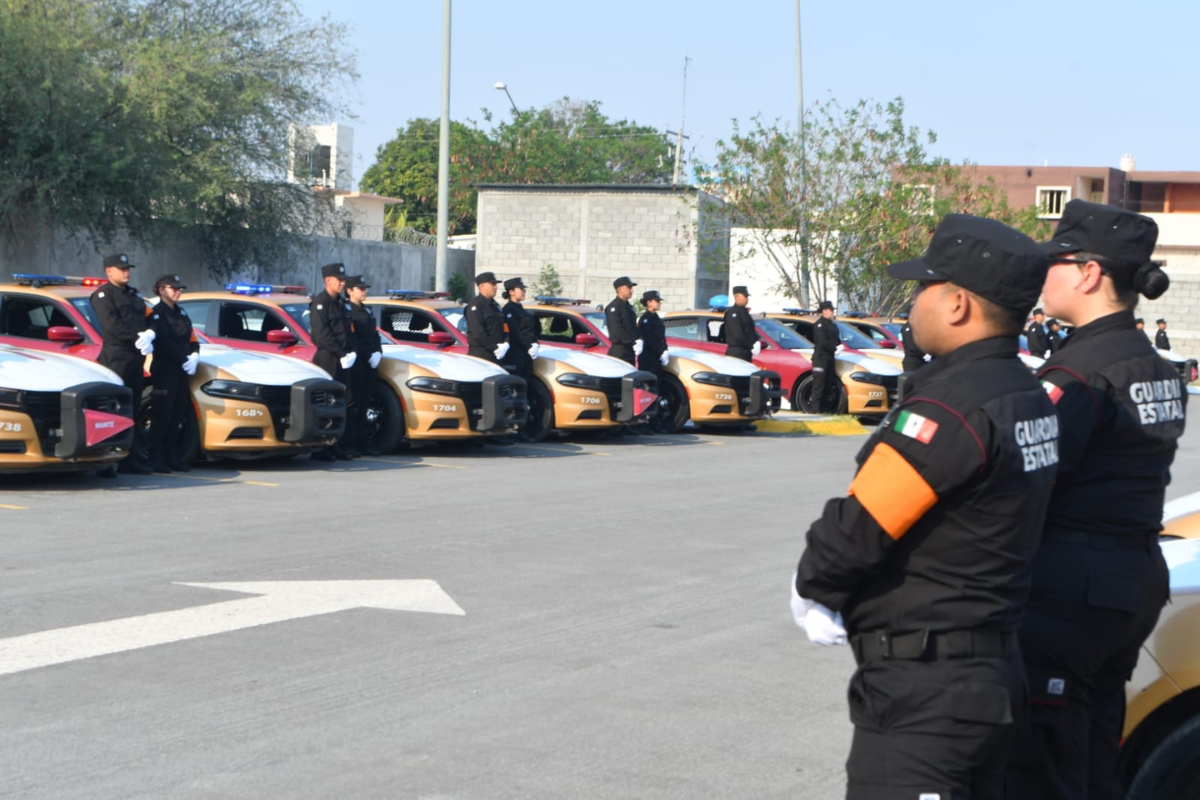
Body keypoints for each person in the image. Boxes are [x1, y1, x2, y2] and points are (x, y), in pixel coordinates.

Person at [792, 214, 1058, 800]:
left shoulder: (951, 406)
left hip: (928, 695)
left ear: (958, 304)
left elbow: (856, 529)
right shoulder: (1024, 392)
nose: (913, 303)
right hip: (989, 673)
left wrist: (811, 583)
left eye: (922, 288)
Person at [1003, 200, 1186, 800]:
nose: (1044, 273)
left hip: (1071, 593)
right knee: (1094, 757)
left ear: (1089, 273)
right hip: (1130, 581)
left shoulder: (1079, 373)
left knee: (1046, 767)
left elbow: (1028, 477)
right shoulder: (1155, 366)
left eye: (1056, 260)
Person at [89, 253, 154, 474]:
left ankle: (131, 460)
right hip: (117, 358)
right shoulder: (103, 295)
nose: (126, 271)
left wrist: (150, 334)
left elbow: (151, 316)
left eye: (128, 268)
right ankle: (106, 461)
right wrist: (138, 337)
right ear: (109, 271)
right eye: (121, 268)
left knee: (133, 410)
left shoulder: (134, 294)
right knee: (113, 410)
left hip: (135, 359)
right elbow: (111, 327)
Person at [146, 274, 199, 473]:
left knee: (177, 415)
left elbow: (192, 338)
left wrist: (195, 354)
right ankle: (154, 458)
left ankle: (171, 456)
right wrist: (185, 358)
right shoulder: (156, 313)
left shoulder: (182, 313)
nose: (178, 291)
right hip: (165, 371)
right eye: (173, 288)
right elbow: (165, 343)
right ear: (161, 290)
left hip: (181, 372)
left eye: (179, 288)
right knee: (162, 416)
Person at [309, 262, 355, 461]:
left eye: (344, 279)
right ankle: (322, 448)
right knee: (327, 404)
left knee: (342, 403)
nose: (343, 283)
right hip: (328, 357)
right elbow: (322, 335)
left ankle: (336, 445)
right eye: (340, 279)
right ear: (328, 280)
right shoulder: (320, 303)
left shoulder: (341, 303)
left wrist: (351, 352)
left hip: (343, 359)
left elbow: (348, 331)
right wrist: (341, 353)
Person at [345, 275, 383, 457]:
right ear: (350, 291)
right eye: (361, 289)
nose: (365, 291)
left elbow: (375, 335)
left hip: (370, 362)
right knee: (354, 404)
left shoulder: (367, 311)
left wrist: (378, 352)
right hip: (357, 362)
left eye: (365, 288)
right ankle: (350, 444)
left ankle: (363, 443)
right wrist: (368, 355)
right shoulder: (348, 311)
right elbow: (354, 339)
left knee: (365, 402)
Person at [464, 272, 508, 363]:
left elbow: (505, 326)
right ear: (482, 286)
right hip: (482, 355)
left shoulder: (495, 306)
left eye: (495, 284)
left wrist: (506, 342)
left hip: (498, 354)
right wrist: (494, 348)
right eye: (492, 284)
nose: (495, 287)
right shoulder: (476, 306)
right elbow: (478, 333)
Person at [501, 277, 538, 381]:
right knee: (515, 383)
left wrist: (535, 343)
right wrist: (529, 346)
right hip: (515, 353)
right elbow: (515, 332)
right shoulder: (508, 309)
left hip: (526, 352)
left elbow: (529, 330)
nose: (524, 292)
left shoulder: (519, 307)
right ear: (511, 292)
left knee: (526, 382)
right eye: (521, 289)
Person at [809, 300, 841, 413]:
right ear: (824, 311)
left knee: (828, 385)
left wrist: (838, 345)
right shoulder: (819, 325)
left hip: (830, 358)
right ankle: (815, 411)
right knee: (819, 386)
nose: (832, 312)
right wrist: (835, 348)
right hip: (820, 359)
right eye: (830, 310)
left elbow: (836, 339)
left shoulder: (832, 324)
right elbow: (822, 342)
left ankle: (824, 411)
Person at [605, 277, 640, 365]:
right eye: (629, 288)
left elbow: (633, 327)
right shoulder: (614, 307)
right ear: (620, 289)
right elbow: (617, 331)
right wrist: (632, 342)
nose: (631, 290)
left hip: (630, 350)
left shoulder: (629, 307)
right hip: (620, 351)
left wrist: (639, 340)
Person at [722, 285, 760, 362]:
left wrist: (757, 341)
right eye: (745, 296)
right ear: (736, 297)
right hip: (737, 353)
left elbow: (749, 331)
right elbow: (738, 335)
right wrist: (751, 346)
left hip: (745, 352)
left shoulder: (744, 312)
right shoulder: (733, 313)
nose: (747, 299)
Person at [637, 290, 669, 380]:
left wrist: (665, 350)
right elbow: (649, 339)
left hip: (656, 356)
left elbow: (661, 336)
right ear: (649, 302)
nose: (659, 303)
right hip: (649, 357)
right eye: (657, 301)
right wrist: (660, 351)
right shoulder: (646, 318)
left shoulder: (656, 317)